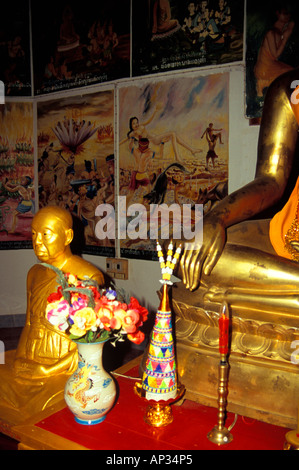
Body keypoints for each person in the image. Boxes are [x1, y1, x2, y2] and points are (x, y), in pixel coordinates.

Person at [178, 68, 299, 316]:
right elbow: (271, 180)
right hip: (290, 232)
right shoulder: (290, 88)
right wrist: (215, 218)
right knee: (184, 250)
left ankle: (262, 292)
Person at [0, 206, 104, 423]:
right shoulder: (35, 273)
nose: (37, 242)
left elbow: (88, 345)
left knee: (57, 401)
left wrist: (47, 370)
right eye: (34, 234)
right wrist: (21, 360)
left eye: (46, 234)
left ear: (67, 236)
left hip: (63, 367)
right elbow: (29, 323)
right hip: (33, 356)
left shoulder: (87, 276)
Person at [254, 7, 294, 97]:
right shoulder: (271, 33)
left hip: (270, 65)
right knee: (291, 73)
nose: (287, 16)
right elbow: (275, 54)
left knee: (292, 72)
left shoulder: (280, 33)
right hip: (265, 67)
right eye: (285, 13)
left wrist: (287, 32)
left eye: (288, 14)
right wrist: (286, 37)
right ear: (278, 14)